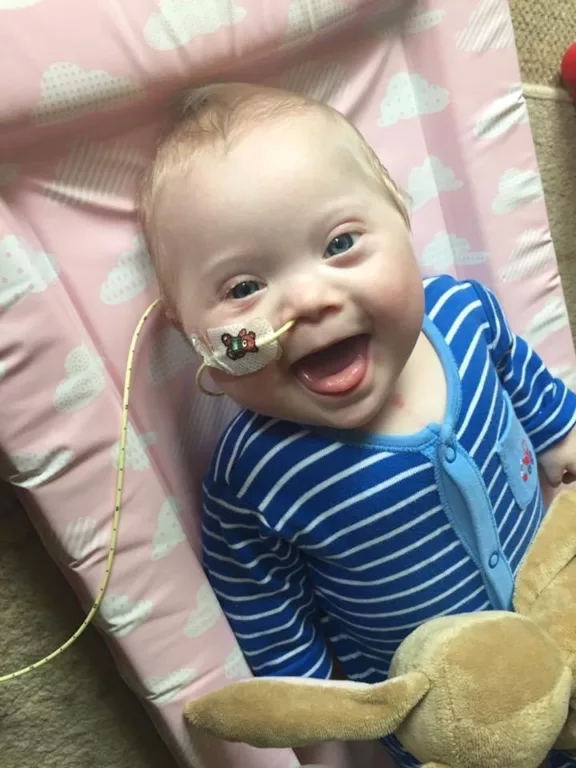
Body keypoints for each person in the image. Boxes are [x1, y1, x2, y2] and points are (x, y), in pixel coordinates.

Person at [139, 82, 576, 767]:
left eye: (341, 243)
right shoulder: (256, 473)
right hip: (446, 725)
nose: (310, 300)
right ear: (190, 333)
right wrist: (317, 720)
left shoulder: (463, 315)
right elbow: (266, 608)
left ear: (401, 216)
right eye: (243, 288)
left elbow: (520, 374)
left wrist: (560, 441)